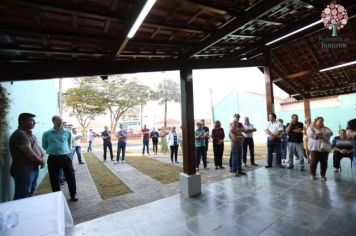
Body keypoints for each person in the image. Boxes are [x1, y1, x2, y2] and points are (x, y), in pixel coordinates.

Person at [9, 113, 45, 200]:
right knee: (22, 195)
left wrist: (43, 156)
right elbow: (29, 153)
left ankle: (26, 211)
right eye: (31, 120)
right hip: (23, 170)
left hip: (32, 168)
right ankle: (18, 212)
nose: (34, 122)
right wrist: (40, 161)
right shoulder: (20, 134)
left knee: (29, 192)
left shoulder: (30, 134)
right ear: (23, 121)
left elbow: (39, 149)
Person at [42, 115, 78, 201]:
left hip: (65, 157)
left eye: (61, 120)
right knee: (54, 178)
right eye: (58, 120)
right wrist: (53, 150)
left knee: (70, 176)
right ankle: (57, 197)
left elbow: (69, 143)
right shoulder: (47, 133)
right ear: (53, 121)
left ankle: (73, 195)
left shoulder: (67, 132)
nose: (61, 122)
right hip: (52, 158)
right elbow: (44, 145)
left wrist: (64, 150)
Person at [307, 116, 333, 181]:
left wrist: (320, 133)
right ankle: (312, 174)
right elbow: (312, 135)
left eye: (322, 121)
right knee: (313, 161)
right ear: (316, 121)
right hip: (314, 147)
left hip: (324, 147)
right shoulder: (311, 128)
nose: (321, 122)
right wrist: (322, 135)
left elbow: (330, 133)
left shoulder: (326, 128)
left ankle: (323, 175)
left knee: (324, 162)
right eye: (319, 121)